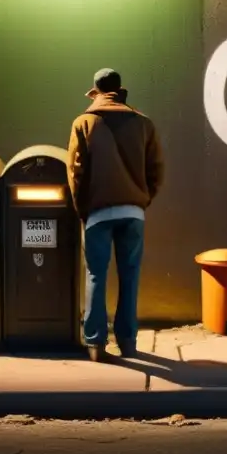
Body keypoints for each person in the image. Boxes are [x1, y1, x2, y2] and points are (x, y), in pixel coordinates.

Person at [67, 68, 165, 362]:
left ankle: (96, 345)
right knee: (130, 276)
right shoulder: (143, 123)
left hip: (97, 212)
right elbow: (156, 170)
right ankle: (128, 343)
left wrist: (81, 208)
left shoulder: (84, 123)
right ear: (120, 90)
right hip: (133, 212)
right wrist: (142, 200)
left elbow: (75, 172)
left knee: (96, 275)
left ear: (95, 91)